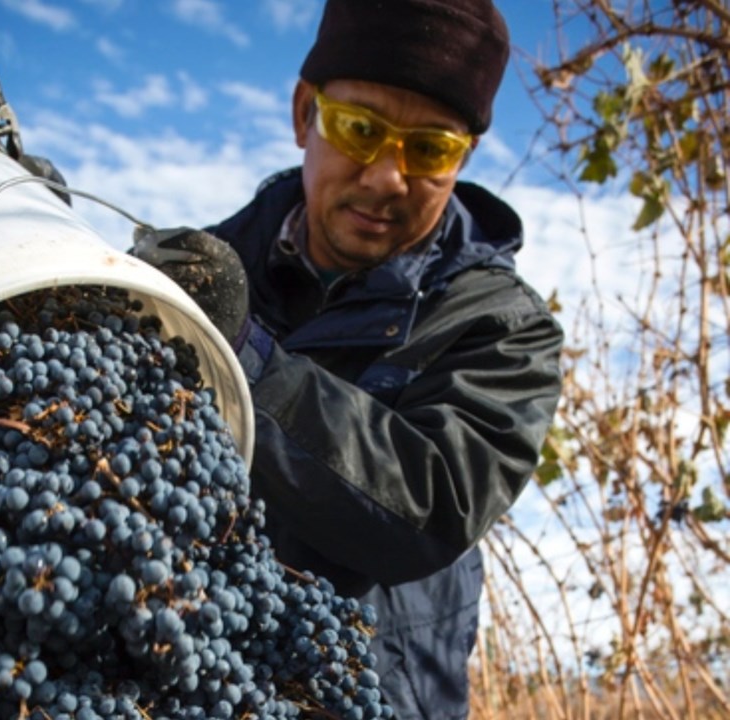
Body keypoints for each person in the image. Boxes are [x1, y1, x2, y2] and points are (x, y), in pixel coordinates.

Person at [133, 0, 565, 717]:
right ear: (306, 114)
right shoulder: (201, 277)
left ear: (463, 158)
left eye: (429, 149)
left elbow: (432, 508)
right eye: (359, 130)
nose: (386, 178)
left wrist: (244, 358)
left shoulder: (501, 327)